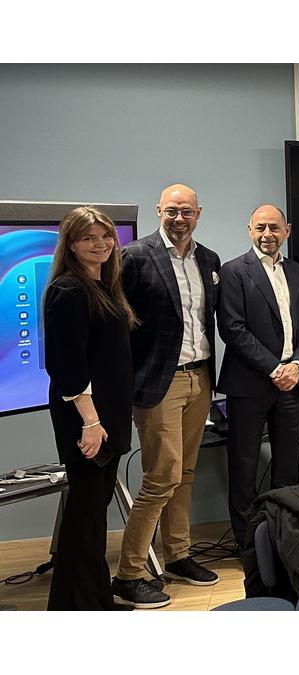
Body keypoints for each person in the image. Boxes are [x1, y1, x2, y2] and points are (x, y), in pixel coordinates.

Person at [112, 184, 221, 610]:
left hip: (200, 377)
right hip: (160, 383)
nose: (179, 219)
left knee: (185, 473)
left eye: (187, 212)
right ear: (159, 211)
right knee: (161, 478)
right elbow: (119, 326)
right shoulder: (135, 256)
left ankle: (177, 555)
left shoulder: (208, 259)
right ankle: (128, 575)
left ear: (199, 213)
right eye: (172, 211)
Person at [43, 206, 136, 610]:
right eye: (88, 238)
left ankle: (93, 602)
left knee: (93, 517)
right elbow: (68, 368)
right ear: (71, 245)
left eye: (105, 236)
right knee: (84, 519)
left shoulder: (102, 285)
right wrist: (91, 423)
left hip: (107, 417)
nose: (101, 244)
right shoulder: (69, 290)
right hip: (88, 421)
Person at [216, 204, 299, 547]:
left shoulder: (298, 271)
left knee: (287, 468)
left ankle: (283, 540)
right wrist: (275, 369)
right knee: (244, 467)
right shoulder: (233, 271)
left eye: (274, 227)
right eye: (260, 228)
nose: (267, 234)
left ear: (287, 231)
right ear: (249, 230)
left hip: (293, 382)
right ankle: (248, 544)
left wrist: (298, 365)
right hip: (250, 384)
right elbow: (233, 329)